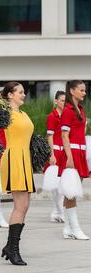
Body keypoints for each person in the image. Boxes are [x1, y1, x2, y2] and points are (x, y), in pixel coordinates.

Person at [0, 82, 35, 265]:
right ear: (10, 95)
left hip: (24, 159)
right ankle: (13, 250)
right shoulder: (6, 114)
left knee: (25, 205)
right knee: (20, 205)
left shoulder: (24, 113)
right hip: (13, 158)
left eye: (24, 92)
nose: (23, 95)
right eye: (20, 92)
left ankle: (9, 246)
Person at [60, 80, 89, 240]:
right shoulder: (68, 110)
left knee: (71, 192)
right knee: (71, 193)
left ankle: (67, 228)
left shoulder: (80, 110)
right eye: (81, 90)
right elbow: (64, 135)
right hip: (72, 153)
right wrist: (70, 157)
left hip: (81, 152)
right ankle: (75, 228)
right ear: (72, 91)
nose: (84, 93)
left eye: (85, 90)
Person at [46, 91, 66, 223]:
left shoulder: (68, 116)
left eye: (66, 100)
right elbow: (50, 136)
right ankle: (59, 211)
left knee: (63, 185)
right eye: (62, 100)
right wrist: (52, 154)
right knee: (56, 185)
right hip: (56, 152)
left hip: (65, 152)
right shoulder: (52, 116)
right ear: (56, 101)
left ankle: (57, 212)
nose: (64, 103)